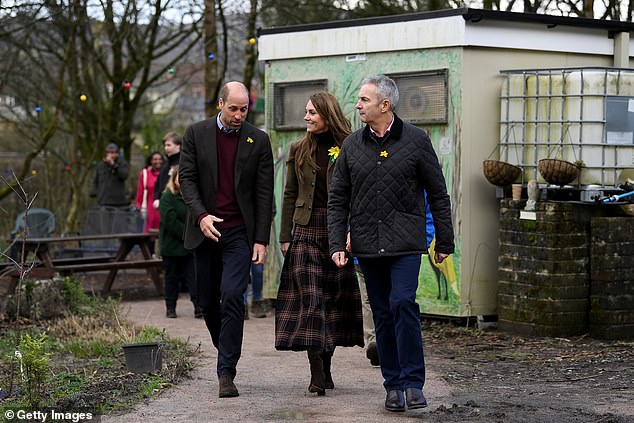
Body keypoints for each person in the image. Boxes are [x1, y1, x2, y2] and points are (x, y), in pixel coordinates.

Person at [328, 75, 455, 412]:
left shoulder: (415, 141)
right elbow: (338, 199)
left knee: (402, 304)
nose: (357, 105)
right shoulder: (352, 146)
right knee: (382, 314)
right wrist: (337, 243)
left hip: (405, 243)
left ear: (385, 105)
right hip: (368, 245)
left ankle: (414, 382)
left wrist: (445, 239)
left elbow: (438, 193)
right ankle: (393, 385)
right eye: (358, 99)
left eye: (364, 100)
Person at [179, 81, 274, 399]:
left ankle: (226, 371)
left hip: (238, 232)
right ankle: (227, 346)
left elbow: (264, 193)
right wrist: (201, 215)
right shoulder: (196, 133)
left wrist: (261, 240)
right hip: (205, 228)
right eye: (232, 108)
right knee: (205, 301)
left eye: (244, 108)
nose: (238, 114)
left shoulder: (258, 140)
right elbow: (187, 179)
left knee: (233, 294)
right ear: (220, 103)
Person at [276, 91, 363, 396]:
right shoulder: (298, 149)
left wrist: (353, 230)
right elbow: (289, 194)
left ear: (327, 114)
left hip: (337, 232)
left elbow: (358, 194)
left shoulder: (350, 147)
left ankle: (326, 369)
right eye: (306, 112)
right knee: (311, 302)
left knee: (332, 304)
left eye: (312, 112)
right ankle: (316, 374)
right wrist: (285, 236)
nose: (306, 117)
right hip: (305, 231)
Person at [158, 165, 200, 318]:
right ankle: (170, 307)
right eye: (179, 177)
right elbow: (170, 220)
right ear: (174, 179)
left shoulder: (193, 198)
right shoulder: (167, 197)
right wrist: (188, 234)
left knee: (193, 278)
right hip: (172, 246)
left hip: (189, 247)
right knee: (172, 278)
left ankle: (198, 307)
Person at [90, 143, 130, 207]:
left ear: (117, 154)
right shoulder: (101, 165)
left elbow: (124, 175)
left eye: (112, 153)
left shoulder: (122, 163)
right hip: (103, 201)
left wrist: (113, 165)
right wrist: (96, 193)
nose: (110, 155)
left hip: (118, 202)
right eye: (108, 152)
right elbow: (96, 180)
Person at [153, 132, 183, 210]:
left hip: (176, 206)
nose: (166, 148)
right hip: (163, 205)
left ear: (178, 146)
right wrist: (156, 198)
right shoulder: (166, 164)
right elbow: (157, 184)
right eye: (165, 145)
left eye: (169, 145)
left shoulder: (183, 163)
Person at [135, 151, 163, 234]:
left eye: (159, 159)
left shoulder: (166, 173)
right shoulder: (145, 173)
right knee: (148, 231)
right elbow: (140, 191)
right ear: (150, 161)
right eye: (155, 159)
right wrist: (138, 205)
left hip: (162, 207)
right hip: (148, 207)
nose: (157, 161)